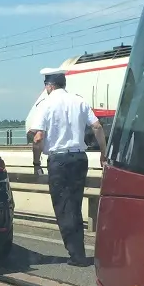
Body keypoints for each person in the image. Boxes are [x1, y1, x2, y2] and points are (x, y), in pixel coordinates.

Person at [29, 68, 107, 268]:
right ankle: (78, 251)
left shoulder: (45, 104)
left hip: (59, 161)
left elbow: (38, 138)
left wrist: (36, 163)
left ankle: (77, 255)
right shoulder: (79, 101)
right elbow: (97, 127)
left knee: (64, 208)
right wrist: (103, 153)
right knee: (74, 204)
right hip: (80, 158)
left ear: (49, 86)